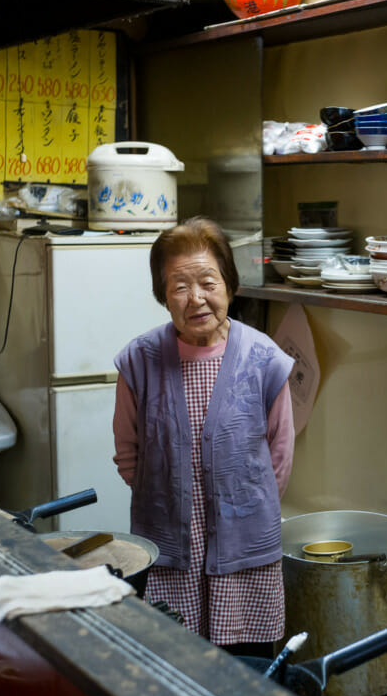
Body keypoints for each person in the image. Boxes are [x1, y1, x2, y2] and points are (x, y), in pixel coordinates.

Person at [112, 217, 294, 654]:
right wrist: (168, 499)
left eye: (208, 282)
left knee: (246, 677)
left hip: (245, 553)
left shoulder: (264, 359)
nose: (196, 299)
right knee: (175, 667)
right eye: (179, 286)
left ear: (228, 283)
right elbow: (128, 453)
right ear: (162, 295)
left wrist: (244, 511)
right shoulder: (139, 360)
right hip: (171, 549)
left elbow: (280, 457)